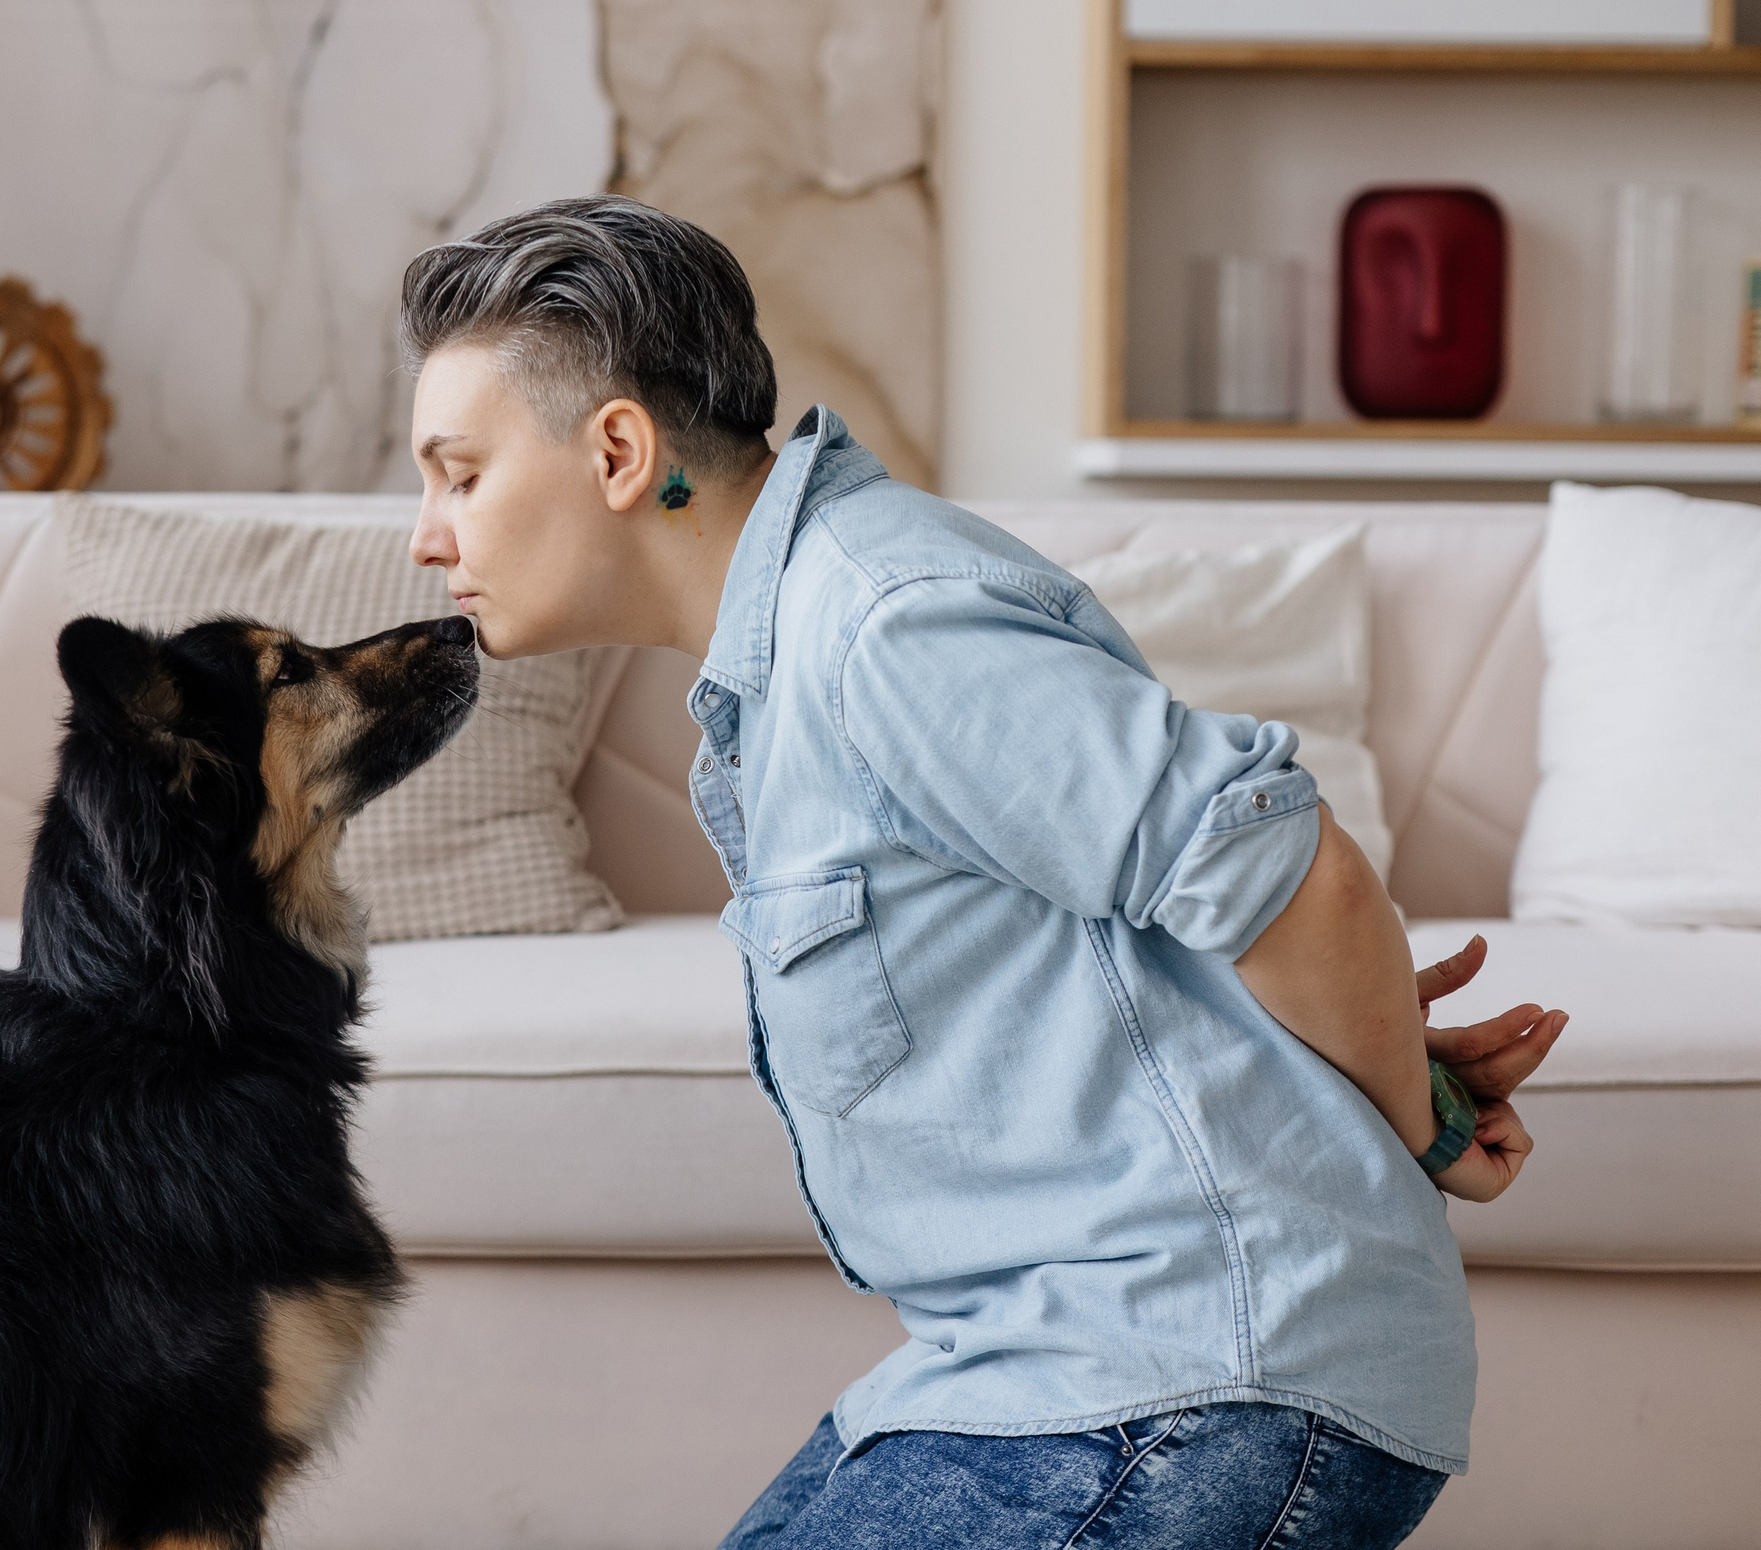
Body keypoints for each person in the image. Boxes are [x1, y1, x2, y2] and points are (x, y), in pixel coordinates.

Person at [398, 196, 1568, 1550]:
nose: (430, 535)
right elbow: (1143, 938)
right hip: (1033, 1367)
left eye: (459, 473)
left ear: (616, 450)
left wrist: (1415, 1123)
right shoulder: (789, 667)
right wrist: (1366, 1054)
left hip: (1193, 1374)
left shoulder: (885, 629)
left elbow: (1305, 885)